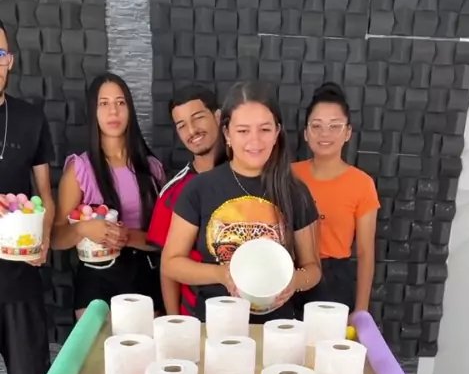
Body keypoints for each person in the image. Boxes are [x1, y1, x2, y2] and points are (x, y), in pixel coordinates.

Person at [161, 80, 320, 322]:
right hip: (215, 326)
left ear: (277, 132)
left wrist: (295, 281)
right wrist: (221, 273)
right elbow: (171, 263)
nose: (254, 141)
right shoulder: (199, 189)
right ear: (227, 133)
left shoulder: (296, 192)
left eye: (264, 129)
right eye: (243, 131)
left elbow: (313, 269)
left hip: (278, 329)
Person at [51, 73, 165, 318]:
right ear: (93, 111)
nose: (113, 111)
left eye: (120, 102)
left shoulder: (152, 169)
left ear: (130, 109)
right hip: (95, 281)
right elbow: (56, 238)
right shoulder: (80, 169)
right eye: (104, 103)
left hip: (144, 278)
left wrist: (128, 237)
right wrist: (83, 229)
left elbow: (165, 239)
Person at [0, 19, 55, 374]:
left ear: (10, 61)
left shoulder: (31, 119)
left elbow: (45, 194)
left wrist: (45, 239)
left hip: (19, 276)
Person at [293, 82, 380, 317]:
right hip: (290, 275)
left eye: (335, 126)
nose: (325, 134)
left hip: (334, 283)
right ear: (306, 133)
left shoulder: (362, 184)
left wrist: (361, 310)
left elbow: (365, 253)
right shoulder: (289, 175)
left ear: (348, 132)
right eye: (316, 126)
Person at [147, 84, 221, 315]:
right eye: (182, 125)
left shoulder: (251, 177)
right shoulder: (173, 192)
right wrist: (174, 322)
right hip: (196, 316)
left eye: (198, 118)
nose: (192, 130)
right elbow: (167, 266)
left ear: (218, 116)